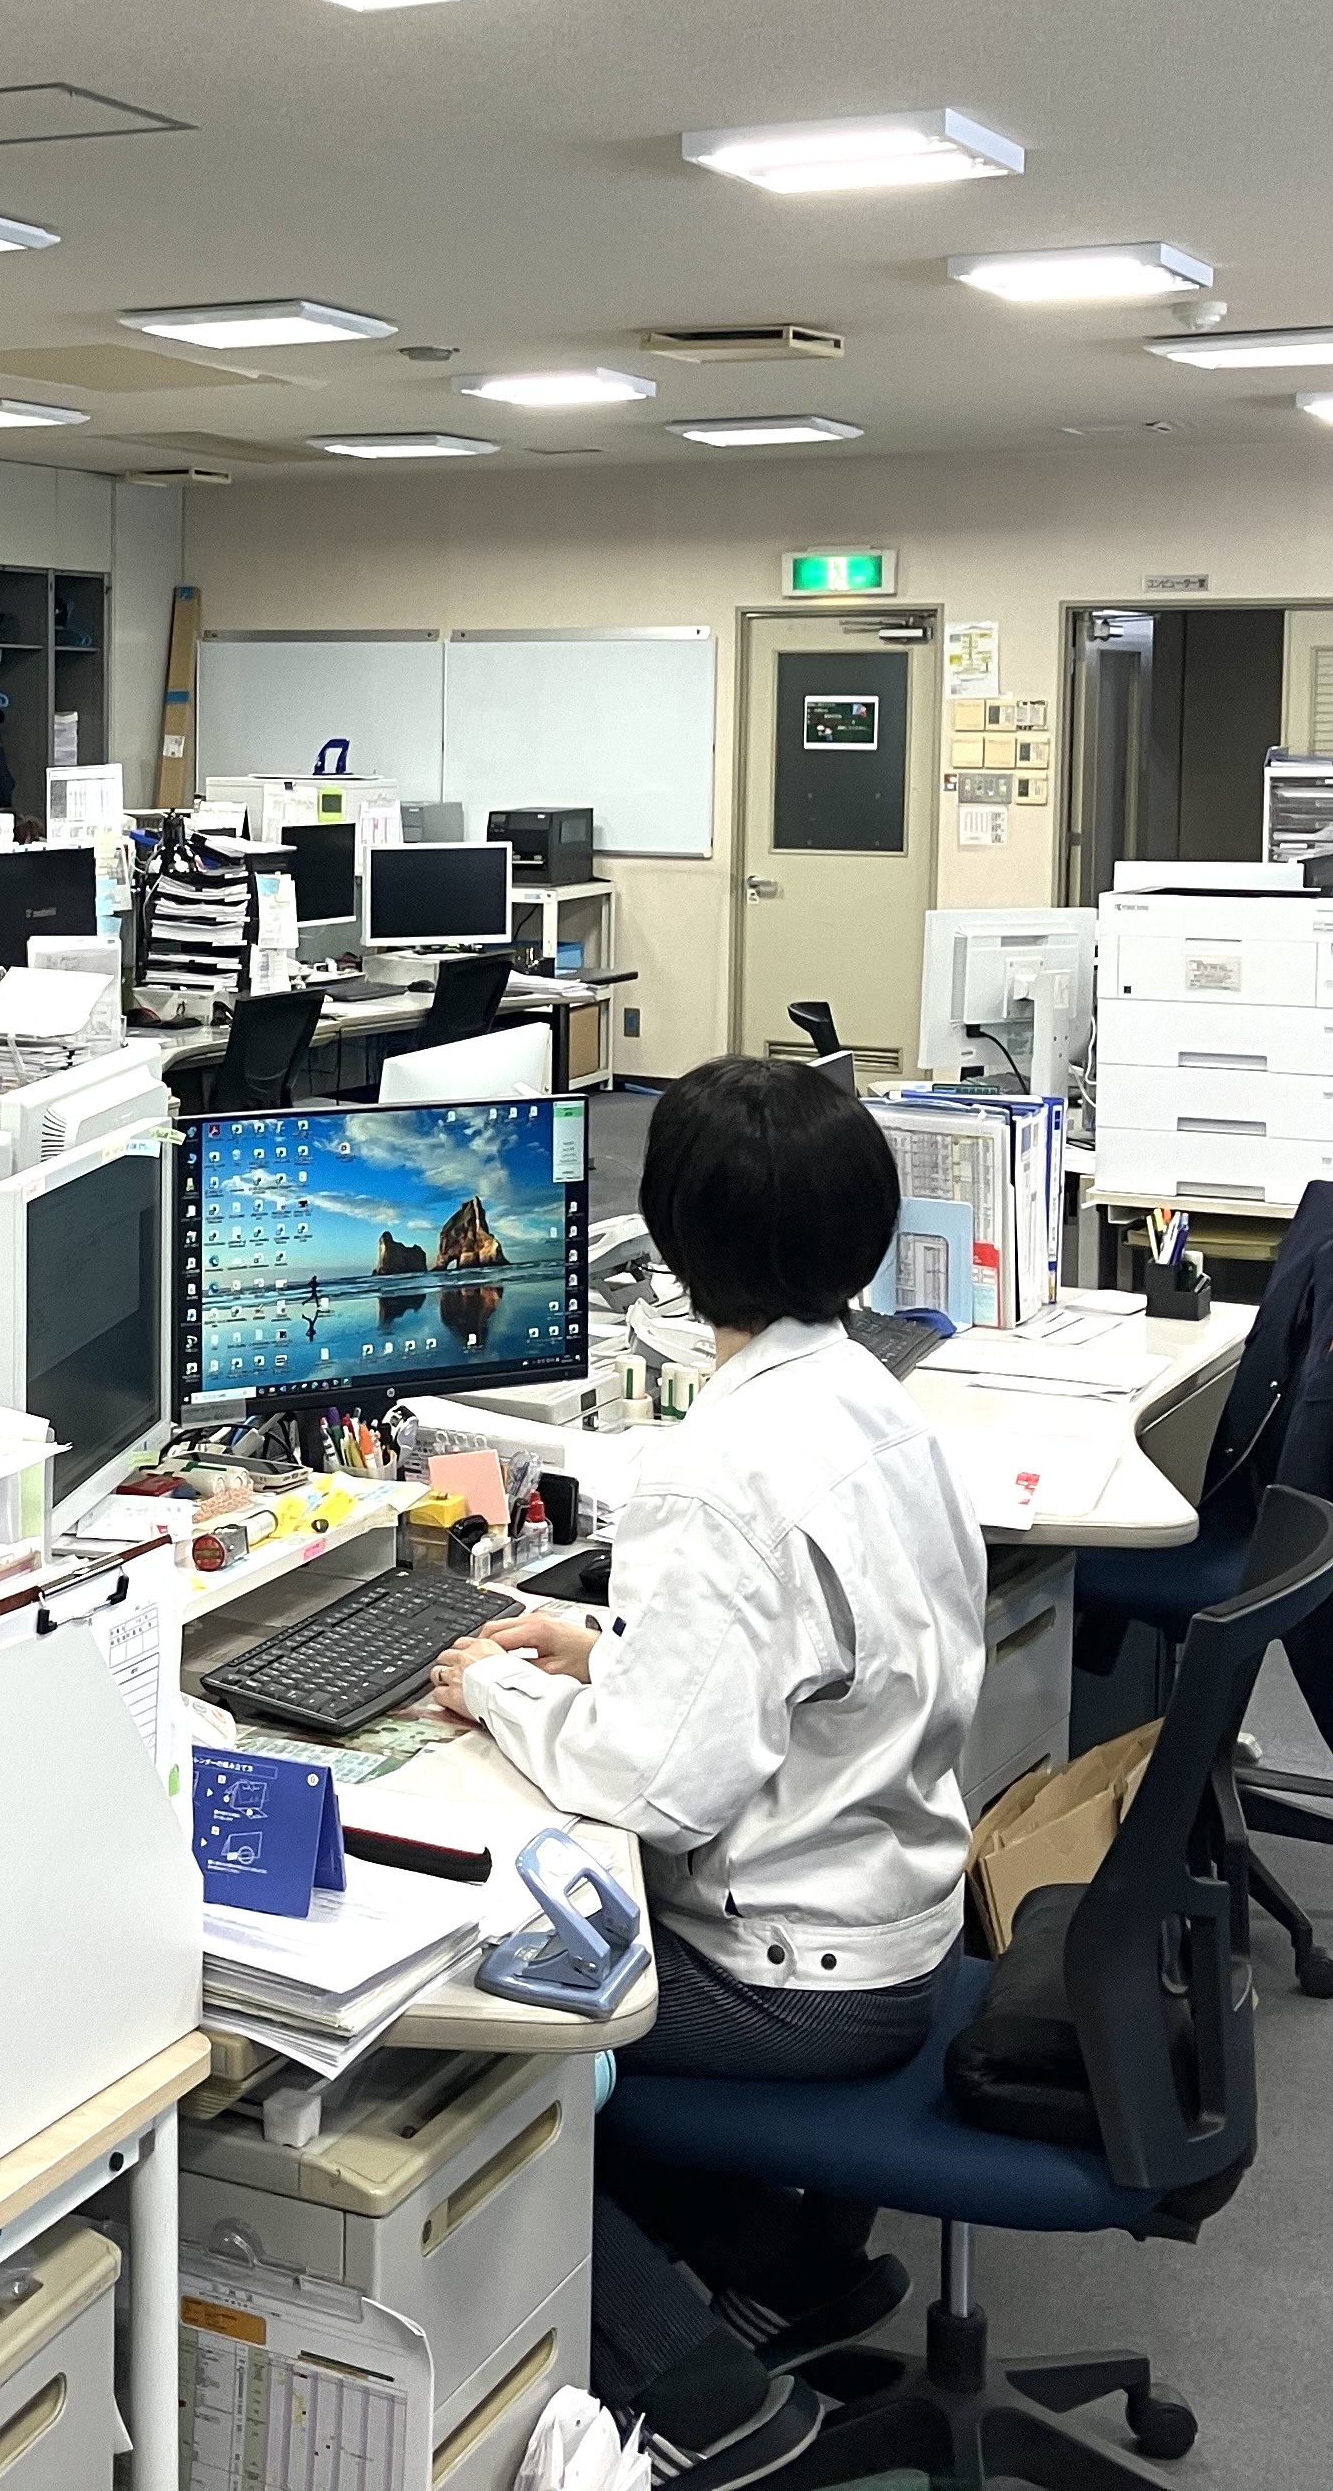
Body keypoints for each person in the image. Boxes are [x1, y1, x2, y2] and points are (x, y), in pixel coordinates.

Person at [429, 1058, 983, 2489]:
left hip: (797, 1983)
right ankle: (782, 2266)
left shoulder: (718, 1464)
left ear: (672, 1240)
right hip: (906, 1913)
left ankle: (708, 2400)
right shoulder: (878, 1403)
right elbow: (811, 1656)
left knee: (450, 2035)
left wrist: (492, 1685)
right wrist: (602, 1644)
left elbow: (653, 1792)